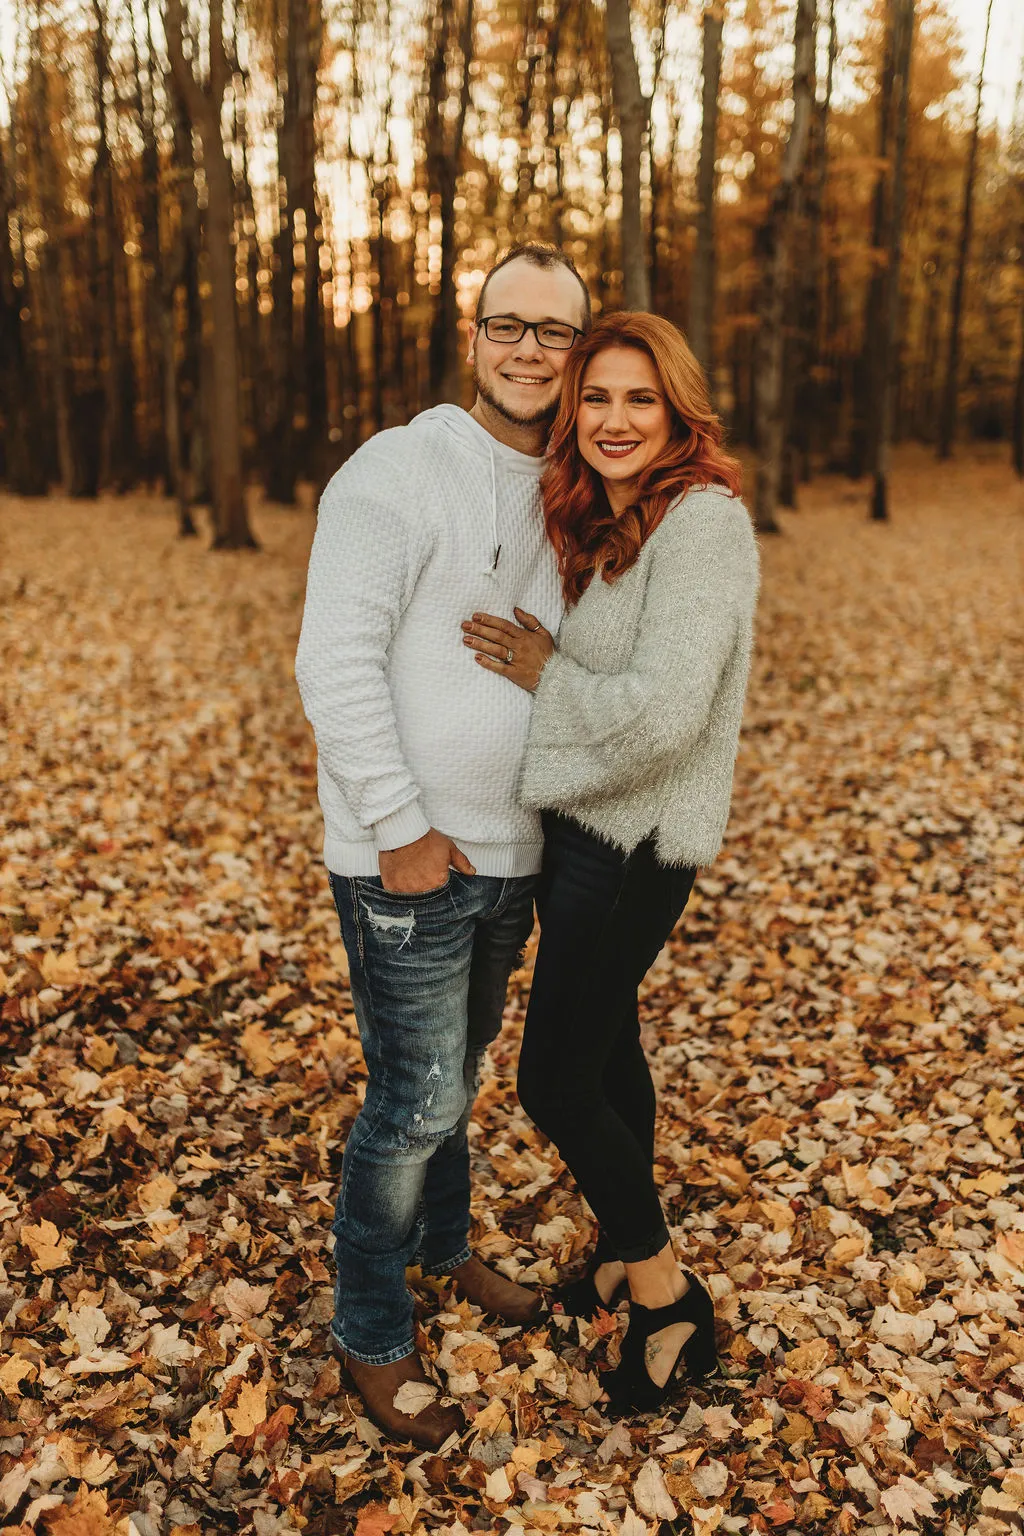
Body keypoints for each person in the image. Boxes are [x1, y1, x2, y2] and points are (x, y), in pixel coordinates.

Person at [294, 244, 591, 1449]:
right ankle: (369, 1327)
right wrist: (399, 827)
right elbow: (332, 660)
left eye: (554, 332)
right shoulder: (396, 469)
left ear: (578, 351)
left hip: (515, 858)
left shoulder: (578, 488)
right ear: (471, 337)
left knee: (455, 1077)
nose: (527, 348)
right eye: (504, 325)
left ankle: (446, 1249)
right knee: (412, 1098)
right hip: (408, 858)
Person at [461, 311, 759, 1415]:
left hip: (633, 850)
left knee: (552, 1081)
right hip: (581, 835)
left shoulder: (703, 524)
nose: (614, 419)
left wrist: (545, 678)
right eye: (596, 398)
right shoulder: (610, 518)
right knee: (609, 1053)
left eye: (640, 399)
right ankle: (628, 1252)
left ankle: (666, 1294)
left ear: (676, 409)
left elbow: (666, 717)